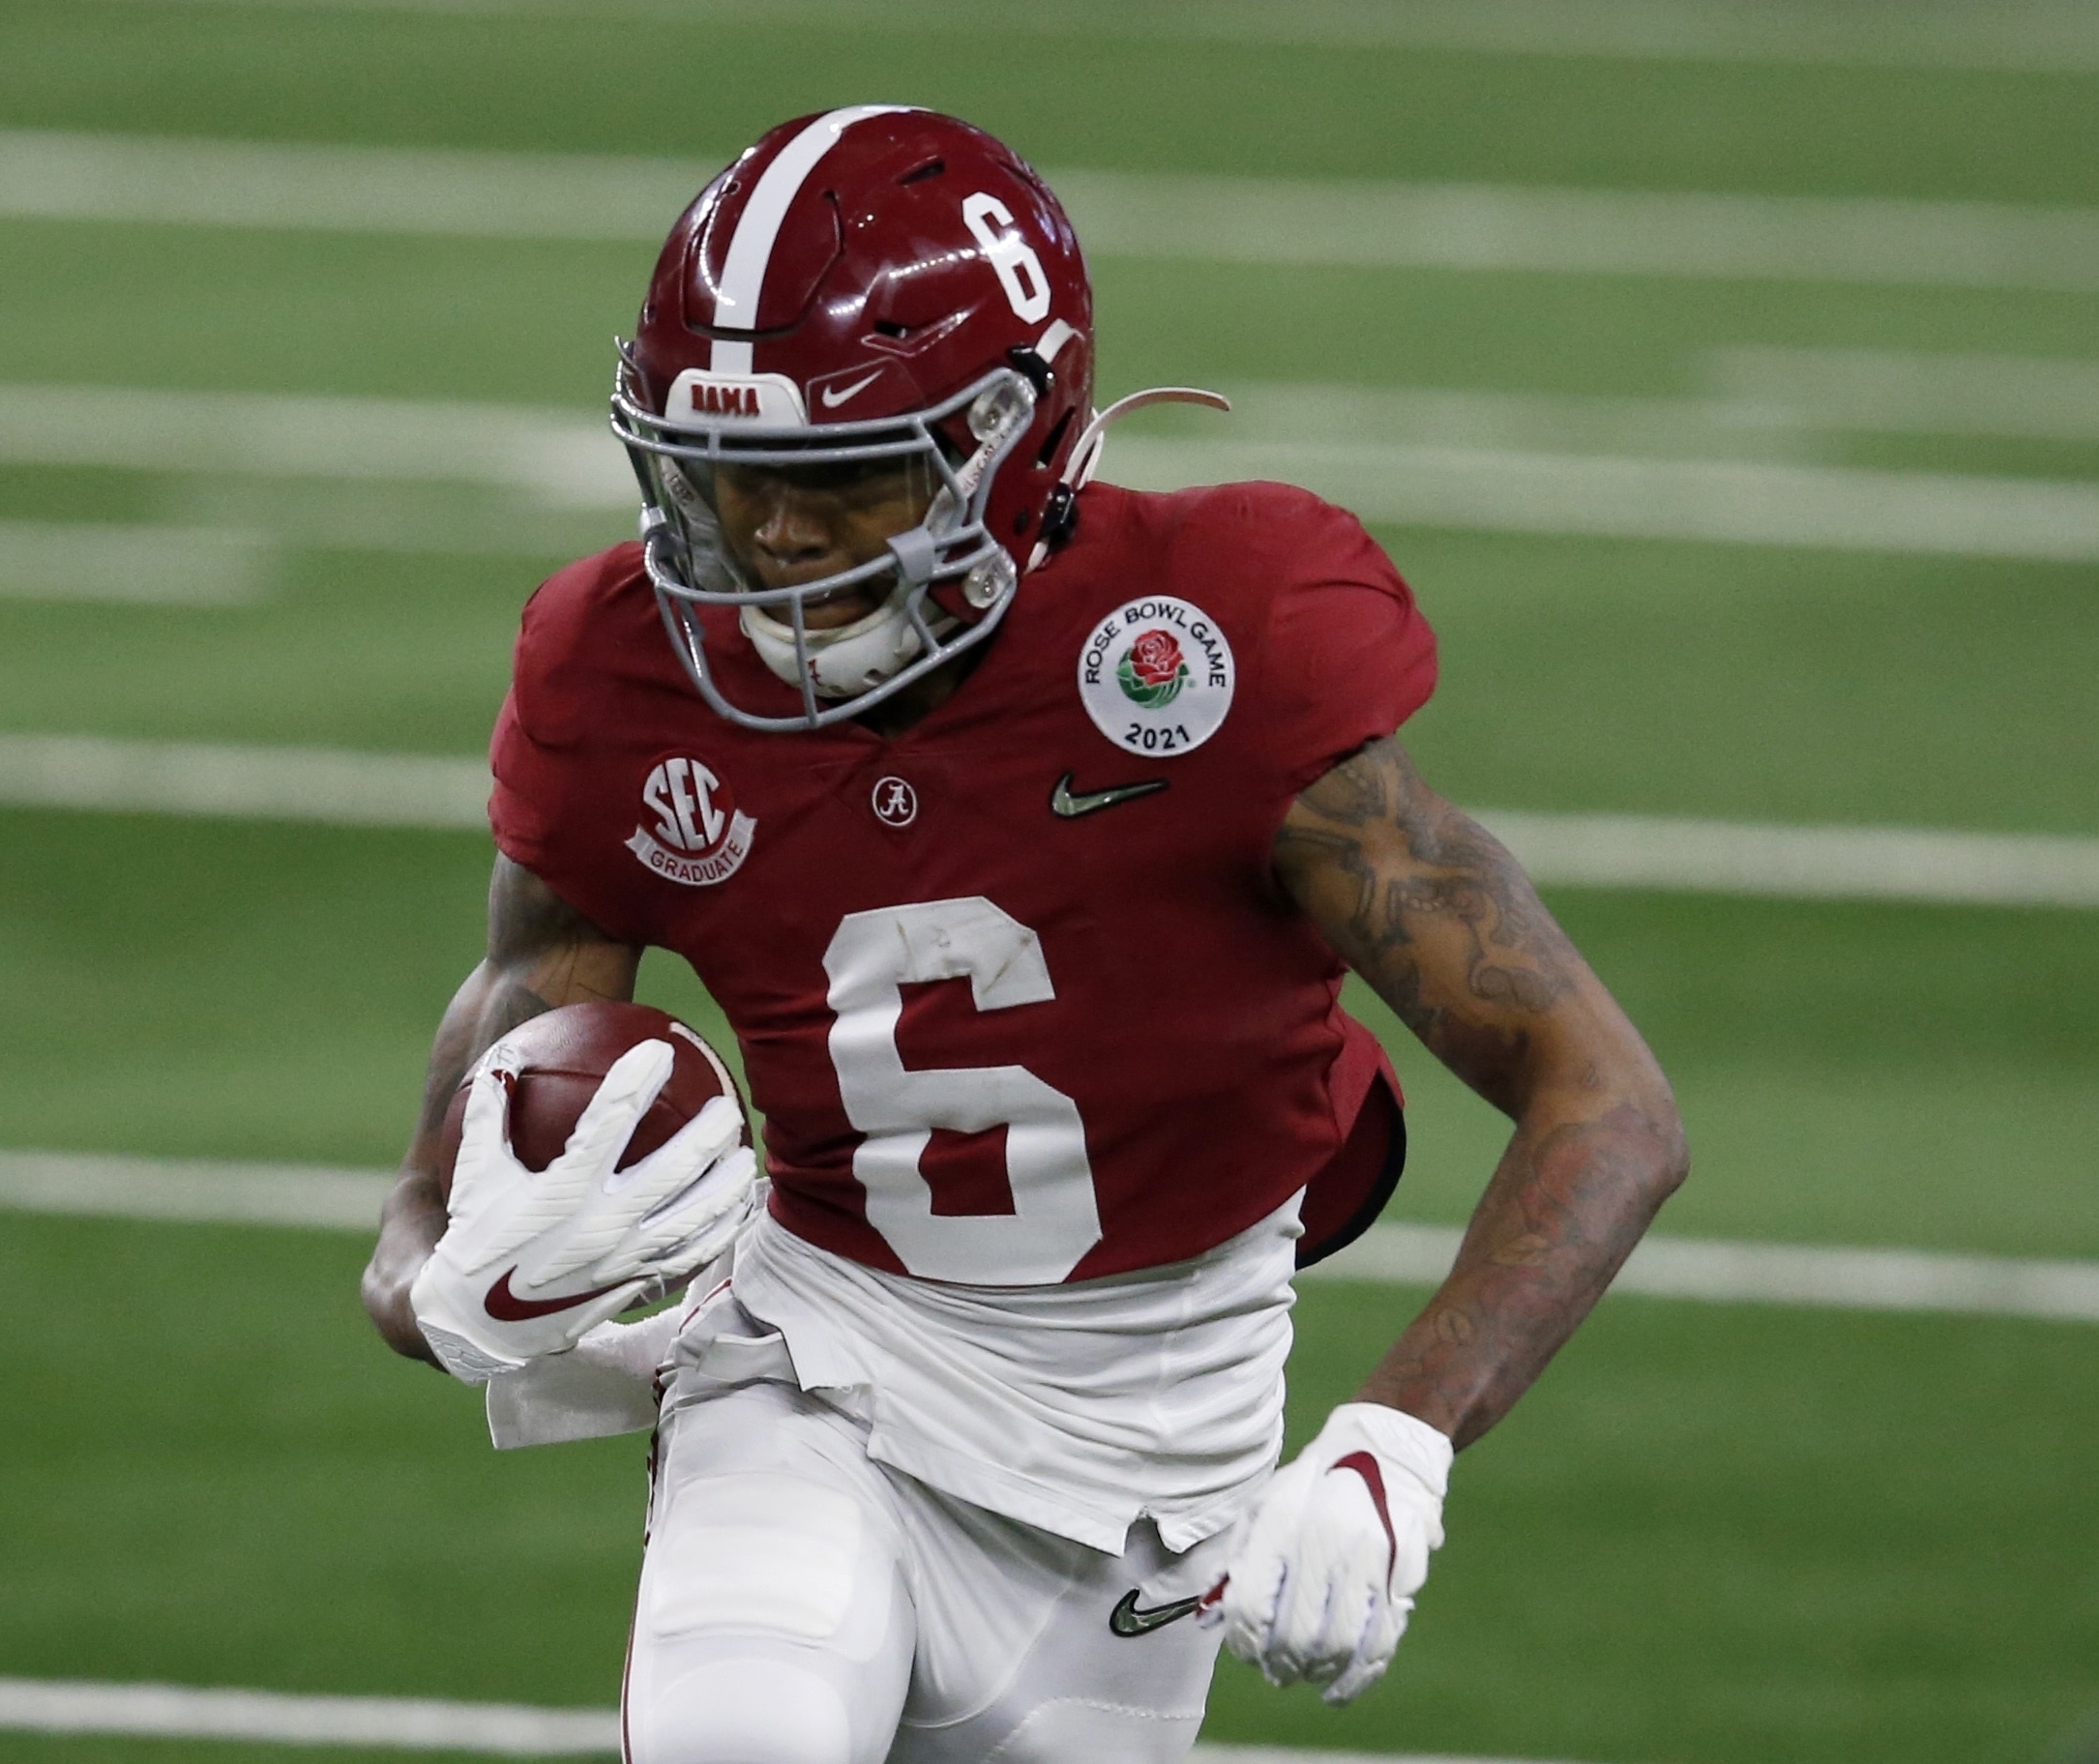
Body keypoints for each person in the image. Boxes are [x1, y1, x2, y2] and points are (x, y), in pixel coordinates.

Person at [363, 105, 1688, 1764]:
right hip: (817, 1356)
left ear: (1014, 441)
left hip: (1159, 1437)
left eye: (838, 472)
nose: (768, 538)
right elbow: (463, 1127)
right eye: (728, 474)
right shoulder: (615, 669)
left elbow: (1606, 1103)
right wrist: (444, 1285)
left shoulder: (1215, 644)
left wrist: (1394, 1441)